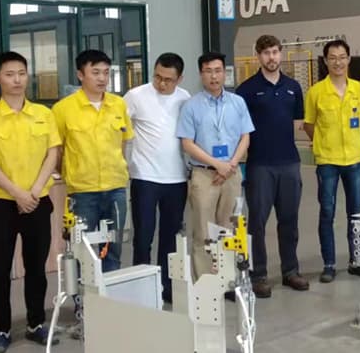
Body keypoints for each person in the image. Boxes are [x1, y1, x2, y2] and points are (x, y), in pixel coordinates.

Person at [0, 51, 60, 352]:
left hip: (38, 201)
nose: (17, 80)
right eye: (9, 74)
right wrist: (18, 194)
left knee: (37, 268)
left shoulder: (44, 114)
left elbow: (53, 153)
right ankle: (1, 329)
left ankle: (36, 324)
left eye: (21, 73)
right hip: (1, 205)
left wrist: (34, 191)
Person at [236, 35, 309, 298]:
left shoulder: (293, 87)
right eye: (266, 53)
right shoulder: (246, 90)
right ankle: (258, 275)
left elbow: (297, 122)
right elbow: (240, 129)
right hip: (259, 165)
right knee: (257, 222)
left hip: (289, 163)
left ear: (280, 54)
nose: (272, 57)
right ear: (258, 56)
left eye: (275, 52)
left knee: (289, 220)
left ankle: (291, 271)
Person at [52, 49, 134, 272]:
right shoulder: (63, 109)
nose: (102, 78)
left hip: (116, 188)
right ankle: (83, 294)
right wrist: (69, 172)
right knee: (82, 250)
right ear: (80, 75)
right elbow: (56, 150)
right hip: (82, 192)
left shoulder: (118, 105)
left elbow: (123, 141)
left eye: (106, 73)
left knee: (113, 248)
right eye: (95, 72)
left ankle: (109, 291)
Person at [177, 52, 254, 280]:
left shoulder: (237, 102)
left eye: (218, 71)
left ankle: (228, 279)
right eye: (208, 71)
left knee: (229, 229)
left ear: (224, 73)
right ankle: (205, 283)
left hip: (232, 173)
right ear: (201, 74)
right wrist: (217, 165)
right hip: (204, 175)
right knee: (203, 232)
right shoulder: (191, 106)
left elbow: (245, 137)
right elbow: (187, 143)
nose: (214, 76)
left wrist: (230, 165)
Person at [123, 53, 190, 304]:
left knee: (170, 237)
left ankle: (166, 286)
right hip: (144, 177)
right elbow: (119, 130)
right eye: (157, 77)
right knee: (143, 235)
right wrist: (125, 162)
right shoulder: (135, 96)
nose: (161, 83)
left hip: (176, 179)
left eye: (168, 80)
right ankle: (141, 286)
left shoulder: (185, 98)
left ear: (179, 79)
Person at [304, 39, 360, 283]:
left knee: (355, 213)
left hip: (354, 159)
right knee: (327, 212)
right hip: (327, 161)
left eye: (342, 57)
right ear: (325, 61)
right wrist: (323, 143)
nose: (338, 62)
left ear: (349, 59)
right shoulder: (316, 92)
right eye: (332, 58)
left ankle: (356, 260)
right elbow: (309, 125)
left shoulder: (359, 89)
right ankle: (329, 264)